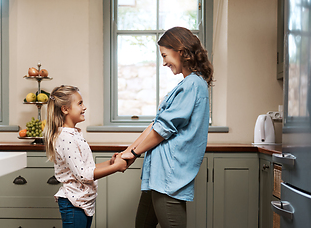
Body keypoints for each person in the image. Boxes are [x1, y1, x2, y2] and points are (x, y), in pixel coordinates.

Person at [120, 26, 214, 228]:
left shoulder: (193, 85)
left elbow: (163, 129)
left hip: (168, 179)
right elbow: (156, 125)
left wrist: (134, 153)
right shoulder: (186, 84)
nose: (163, 62)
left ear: (180, 51)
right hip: (157, 176)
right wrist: (127, 152)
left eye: (164, 55)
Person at [44, 85, 127, 228]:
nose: (84, 107)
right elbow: (84, 175)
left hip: (81, 201)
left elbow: (86, 168)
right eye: (80, 103)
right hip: (73, 203)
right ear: (65, 109)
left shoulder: (74, 133)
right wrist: (115, 168)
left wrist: (110, 163)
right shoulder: (66, 138)